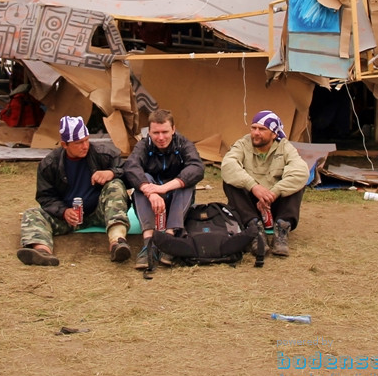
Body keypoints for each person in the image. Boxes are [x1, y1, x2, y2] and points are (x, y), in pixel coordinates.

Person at [17, 116, 132, 266]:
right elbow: (45, 197)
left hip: (101, 212)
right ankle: (42, 251)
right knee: (32, 214)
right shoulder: (49, 164)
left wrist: (111, 173)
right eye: (78, 143)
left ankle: (117, 243)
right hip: (70, 217)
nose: (85, 146)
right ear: (65, 144)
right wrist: (63, 212)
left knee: (115, 185)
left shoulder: (104, 154)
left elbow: (130, 175)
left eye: (86, 140)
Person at [123, 108, 204, 269]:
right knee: (142, 180)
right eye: (156, 133)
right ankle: (149, 243)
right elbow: (130, 167)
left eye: (165, 132)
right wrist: (150, 191)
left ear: (173, 129)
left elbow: (197, 168)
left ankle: (170, 239)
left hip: (176, 200)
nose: (161, 137)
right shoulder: (143, 145)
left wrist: (164, 188)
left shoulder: (183, 143)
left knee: (186, 182)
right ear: (149, 132)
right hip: (151, 202)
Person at [221, 110, 309, 256]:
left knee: (297, 183)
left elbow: (300, 171)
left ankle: (281, 229)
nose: (256, 133)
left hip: (274, 204)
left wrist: (274, 193)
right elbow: (228, 165)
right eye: (253, 128)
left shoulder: (285, 147)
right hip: (251, 206)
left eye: (262, 129)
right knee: (230, 181)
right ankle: (254, 230)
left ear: (274, 134)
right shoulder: (243, 144)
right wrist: (253, 186)